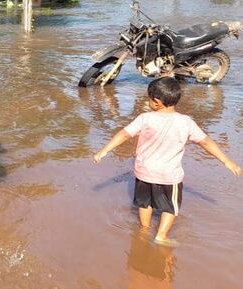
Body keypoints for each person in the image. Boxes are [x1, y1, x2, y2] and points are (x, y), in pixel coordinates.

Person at [93, 77, 241, 244]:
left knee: (144, 203)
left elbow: (124, 134)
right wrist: (227, 161)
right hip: (169, 176)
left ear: (156, 102)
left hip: (144, 172)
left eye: (149, 98)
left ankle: (144, 229)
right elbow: (205, 142)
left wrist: (104, 150)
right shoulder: (186, 122)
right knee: (170, 207)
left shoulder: (145, 118)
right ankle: (161, 235)